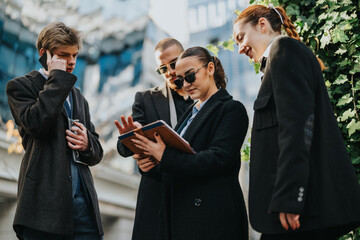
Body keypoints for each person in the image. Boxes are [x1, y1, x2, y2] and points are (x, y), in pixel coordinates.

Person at [233, 4, 360, 239]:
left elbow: (299, 125)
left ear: (262, 24)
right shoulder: (277, 60)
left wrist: (290, 197)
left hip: (300, 211)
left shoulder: (284, 49)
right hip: (296, 211)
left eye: (241, 37)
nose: (240, 49)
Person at [131, 46, 249, 240]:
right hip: (182, 219)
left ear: (210, 69)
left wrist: (164, 156)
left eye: (190, 76)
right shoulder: (191, 113)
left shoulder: (231, 109)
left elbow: (218, 159)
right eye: (180, 79)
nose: (185, 84)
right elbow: (177, 165)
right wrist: (149, 165)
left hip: (212, 221)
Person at [6, 22, 104, 240]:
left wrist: (88, 144)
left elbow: (97, 152)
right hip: (43, 207)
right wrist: (57, 79)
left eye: (75, 56)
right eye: (63, 55)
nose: (71, 62)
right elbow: (37, 124)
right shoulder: (20, 86)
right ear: (44, 54)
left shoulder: (79, 97)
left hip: (84, 208)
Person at [115, 38, 193, 240]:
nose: (169, 72)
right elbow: (123, 149)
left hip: (192, 195)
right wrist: (132, 135)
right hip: (155, 198)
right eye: (162, 69)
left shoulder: (203, 98)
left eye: (173, 64)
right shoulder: (145, 99)